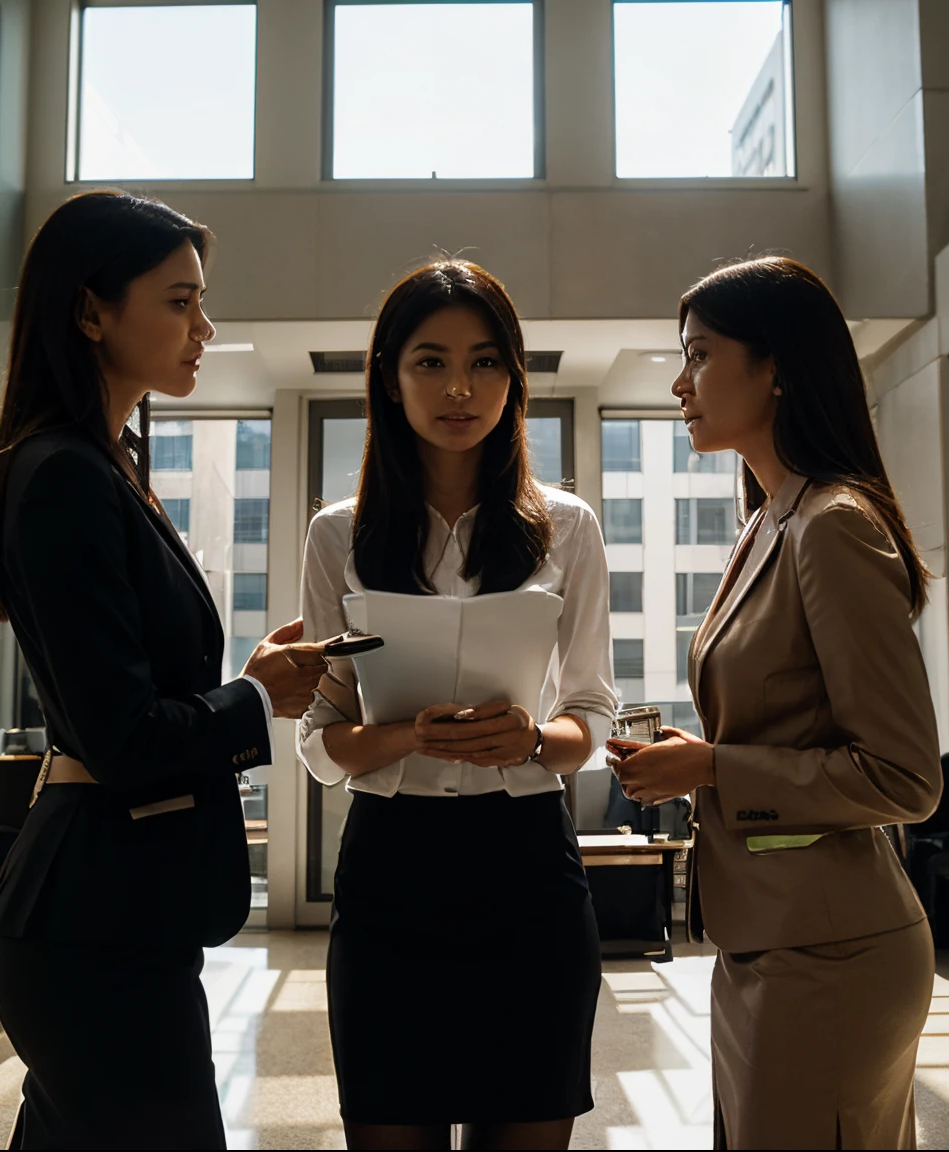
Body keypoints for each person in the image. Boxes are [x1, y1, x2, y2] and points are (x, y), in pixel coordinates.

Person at [0, 192, 328, 1149]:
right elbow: (123, 738)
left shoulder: (103, 462)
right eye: (179, 302)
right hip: (93, 928)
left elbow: (127, 698)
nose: (205, 328)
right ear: (90, 312)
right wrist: (255, 700)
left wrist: (243, 682)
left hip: (110, 917)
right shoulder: (70, 473)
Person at [608, 256, 942, 1149]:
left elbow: (905, 777)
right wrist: (699, 757)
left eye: (701, 355)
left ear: (777, 367)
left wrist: (714, 766)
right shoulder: (770, 519)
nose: (680, 383)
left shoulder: (831, 524)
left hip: (829, 953)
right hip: (773, 938)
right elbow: (787, 727)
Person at [297, 260, 617, 1151]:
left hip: (528, 873)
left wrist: (533, 738)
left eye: (484, 362)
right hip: (391, 871)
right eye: (430, 362)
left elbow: (589, 711)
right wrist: (402, 734)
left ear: (514, 378)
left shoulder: (570, 527)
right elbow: (321, 742)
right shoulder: (339, 534)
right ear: (390, 380)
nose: (459, 388)